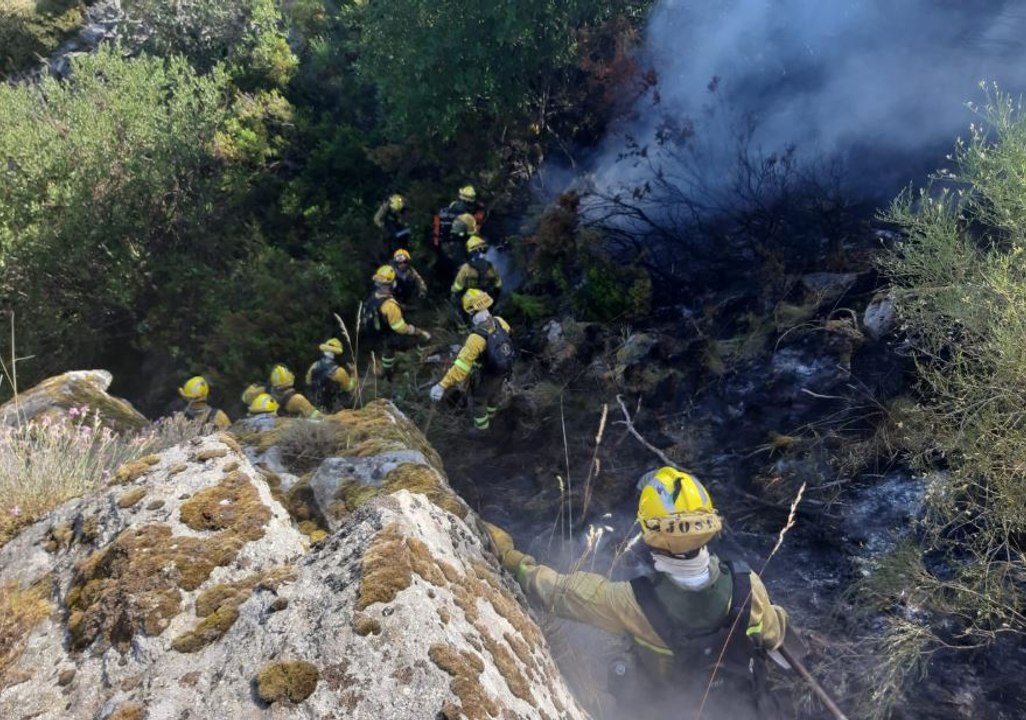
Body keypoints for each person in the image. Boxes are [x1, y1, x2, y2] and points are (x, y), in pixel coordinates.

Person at [484, 467, 790, 717]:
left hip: (666, 709)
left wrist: (511, 558)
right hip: (744, 708)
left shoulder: (632, 601)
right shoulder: (747, 584)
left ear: (651, 533)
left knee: (621, 677)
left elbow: (559, 592)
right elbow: (774, 635)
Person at [429, 289, 514, 431]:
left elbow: (461, 369)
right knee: (494, 394)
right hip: (504, 370)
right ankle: (492, 417)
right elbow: (510, 338)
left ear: (471, 312)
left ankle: (482, 430)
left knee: (478, 401)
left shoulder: (476, 338)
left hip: (487, 374)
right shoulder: (500, 321)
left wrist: (442, 385)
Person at [361, 265, 431, 382]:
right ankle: (419, 364)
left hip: (378, 337)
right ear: (392, 283)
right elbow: (400, 328)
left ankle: (388, 374)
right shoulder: (390, 305)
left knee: (388, 352)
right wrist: (416, 331)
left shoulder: (372, 298)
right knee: (424, 338)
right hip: (391, 336)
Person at [432, 185, 486, 276]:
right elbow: (473, 237)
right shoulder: (467, 217)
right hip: (457, 249)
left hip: (442, 247)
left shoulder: (444, 212)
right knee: (463, 271)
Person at [305, 338, 357, 412]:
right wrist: (353, 373)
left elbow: (308, 382)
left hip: (315, 405)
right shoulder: (339, 371)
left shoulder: (314, 366)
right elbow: (349, 387)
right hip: (332, 407)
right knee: (346, 395)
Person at [450, 235, 502, 306]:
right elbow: (498, 285)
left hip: (470, 301)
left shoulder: (466, 268)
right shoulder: (491, 267)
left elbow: (457, 286)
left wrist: (453, 294)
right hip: (486, 300)